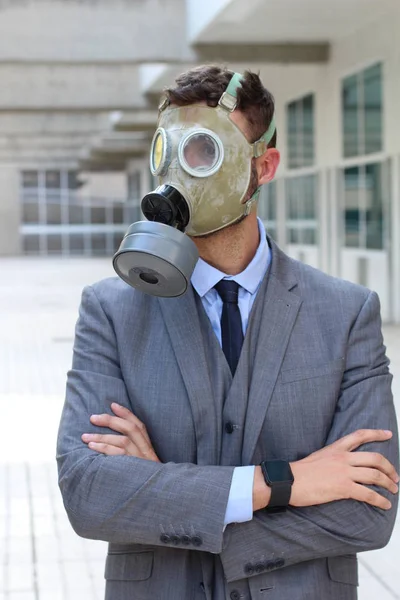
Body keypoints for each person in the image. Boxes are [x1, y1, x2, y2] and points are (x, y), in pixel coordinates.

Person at [57, 65, 399, 600]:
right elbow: (88, 493)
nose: (179, 172)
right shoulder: (111, 310)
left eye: (202, 152)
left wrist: (164, 492)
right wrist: (281, 485)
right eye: (168, 152)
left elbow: (369, 511)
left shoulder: (347, 312)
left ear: (263, 166)